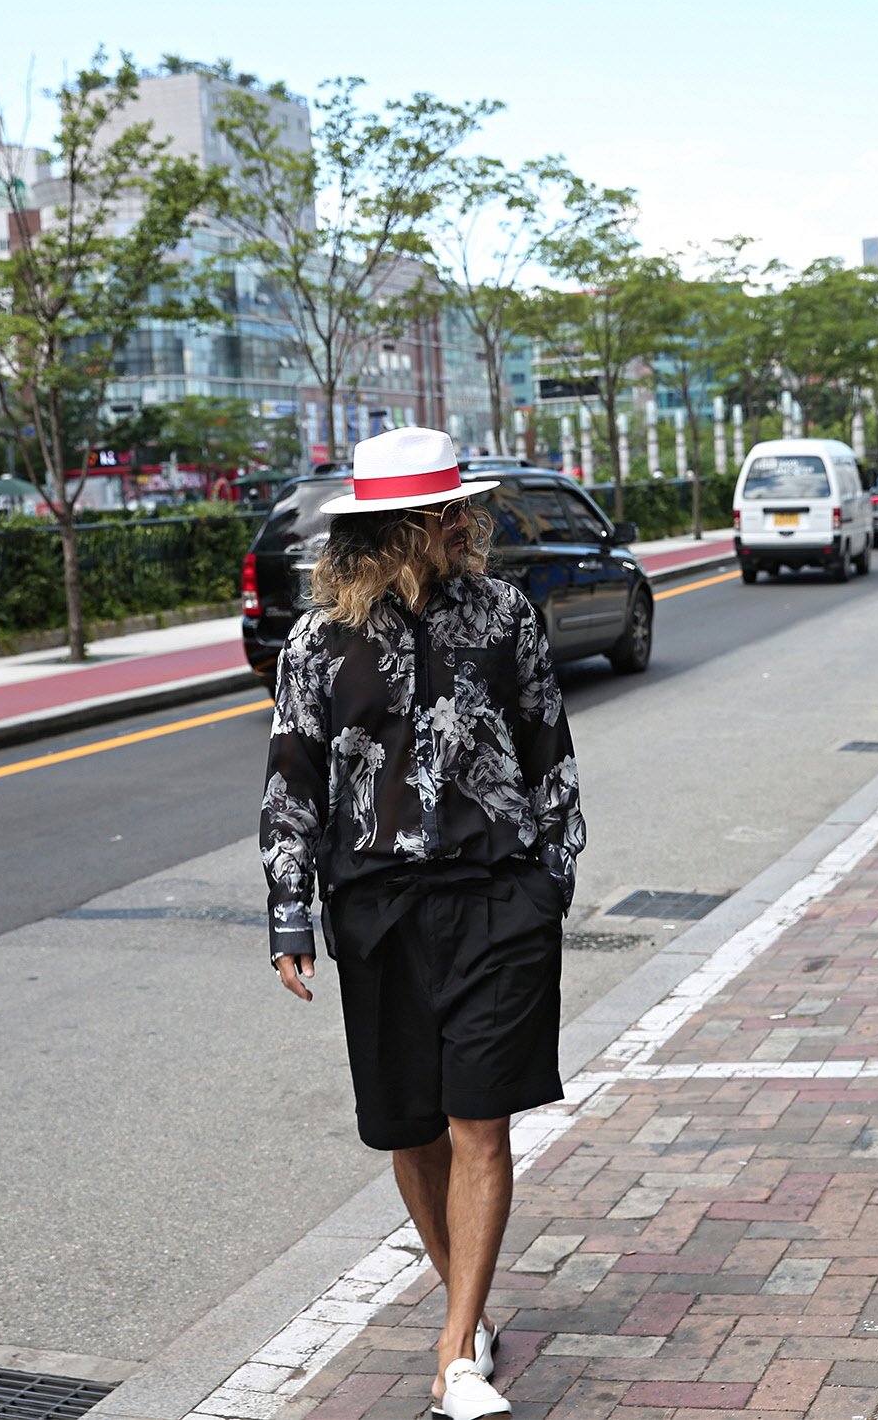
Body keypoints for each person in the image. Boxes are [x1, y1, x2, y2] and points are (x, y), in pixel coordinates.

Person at [260, 426, 585, 1420]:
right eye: (446, 513)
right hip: (378, 906)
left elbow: (549, 750)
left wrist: (551, 883)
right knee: (411, 1126)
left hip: (498, 898)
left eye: (460, 509)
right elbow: (292, 779)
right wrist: (289, 912)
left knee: (479, 1118)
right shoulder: (318, 641)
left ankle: (454, 1360)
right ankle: (467, 1314)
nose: (463, 525)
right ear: (402, 527)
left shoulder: (503, 615)